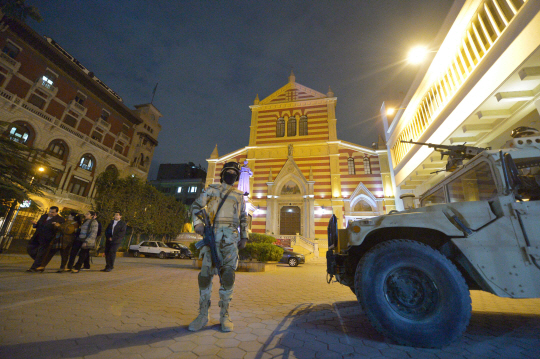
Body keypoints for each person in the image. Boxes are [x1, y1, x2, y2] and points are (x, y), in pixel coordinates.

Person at [188, 162, 248, 332]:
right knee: (205, 276)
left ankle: (225, 315)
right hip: (211, 237)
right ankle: (202, 315)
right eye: (228, 172)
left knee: (228, 276)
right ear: (222, 174)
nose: (231, 175)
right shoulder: (212, 189)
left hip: (230, 240)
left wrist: (244, 236)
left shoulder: (239, 195)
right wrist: (198, 224)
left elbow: (244, 217)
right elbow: (196, 206)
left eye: (234, 173)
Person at [26, 206, 65, 272]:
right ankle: (40, 262)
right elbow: (38, 224)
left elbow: (61, 229)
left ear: (56, 212)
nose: (50, 213)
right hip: (37, 236)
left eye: (52, 212)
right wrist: (35, 224)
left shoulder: (60, 219)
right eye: (50, 211)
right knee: (30, 248)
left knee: (40, 253)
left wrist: (57, 226)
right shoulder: (44, 216)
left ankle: (34, 267)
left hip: (47, 238)